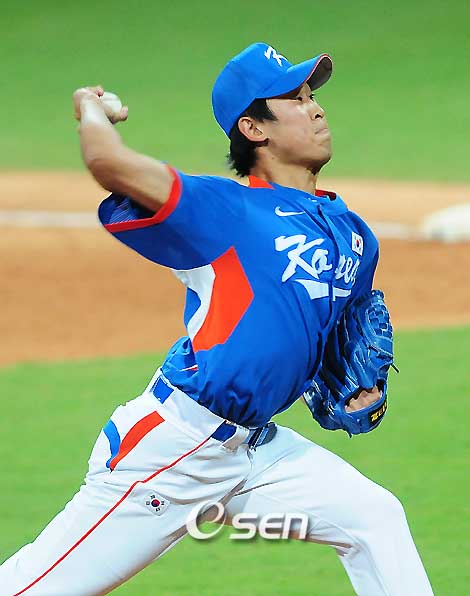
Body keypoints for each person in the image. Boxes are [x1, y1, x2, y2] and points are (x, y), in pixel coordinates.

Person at [0, 42, 434, 596]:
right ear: (253, 129)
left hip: (257, 453)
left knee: (374, 518)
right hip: (173, 453)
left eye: (312, 97)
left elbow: (326, 345)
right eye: (297, 99)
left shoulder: (353, 237)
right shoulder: (223, 209)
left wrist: (351, 391)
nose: (317, 109)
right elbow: (108, 163)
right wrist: (90, 107)